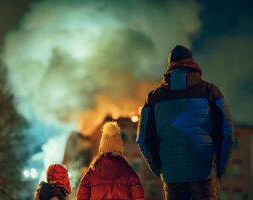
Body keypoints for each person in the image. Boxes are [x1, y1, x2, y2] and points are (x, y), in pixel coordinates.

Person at [137, 45, 234, 200]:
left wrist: (161, 170)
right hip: (204, 174)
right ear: (192, 63)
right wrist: (219, 169)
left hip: (173, 177)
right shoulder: (210, 91)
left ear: (170, 66)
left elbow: (143, 140)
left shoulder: (153, 98)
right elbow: (226, 133)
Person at [77, 121, 145, 200]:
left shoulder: (92, 172)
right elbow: (139, 197)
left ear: (102, 146)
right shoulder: (128, 171)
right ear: (119, 146)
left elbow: (81, 196)